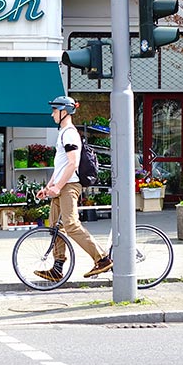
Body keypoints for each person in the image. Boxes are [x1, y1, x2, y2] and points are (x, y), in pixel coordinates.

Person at [35, 97, 113, 282]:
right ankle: (57, 268)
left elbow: (73, 164)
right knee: (55, 227)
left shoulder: (70, 133)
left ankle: (102, 258)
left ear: (64, 112)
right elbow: (60, 166)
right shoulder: (63, 133)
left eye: (54, 110)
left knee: (70, 224)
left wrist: (59, 187)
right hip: (61, 185)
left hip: (70, 186)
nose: (52, 113)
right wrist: (49, 187)